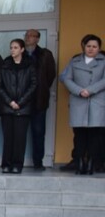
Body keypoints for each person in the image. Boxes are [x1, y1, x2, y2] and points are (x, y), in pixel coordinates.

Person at [59, 34, 105, 175]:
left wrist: (90, 90)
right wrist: (79, 91)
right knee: (79, 135)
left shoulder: (104, 61)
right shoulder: (75, 61)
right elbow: (66, 78)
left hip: (96, 101)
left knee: (94, 135)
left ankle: (91, 163)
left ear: (99, 48)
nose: (91, 49)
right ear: (83, 47)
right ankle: (79, 163)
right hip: (78, 101)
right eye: (88, 46)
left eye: (94, 46)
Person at [0, 39, 37, 174]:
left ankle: (17, 165)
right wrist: (10, 102)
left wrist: (20, 102)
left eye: (15, 47)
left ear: (22, 49)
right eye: (11, 47)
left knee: (20, 138)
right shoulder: (5, 65)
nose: (12, 50)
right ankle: (6, 164)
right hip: (7, 107)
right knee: (8, 138)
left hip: (23, 108)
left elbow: (33, 85)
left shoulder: (29, 66)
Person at [23, 29, 56, 170]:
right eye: (27, 35)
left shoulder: (45, 54)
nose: (28, 38)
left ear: (37, 39)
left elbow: (50, 75)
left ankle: (38, 162)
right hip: (21, 101)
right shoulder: (20, 53)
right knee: (20, 133)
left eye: (31, 36)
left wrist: (41, 88)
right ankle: (18, 161)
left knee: (38, 131)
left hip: (39, 99)